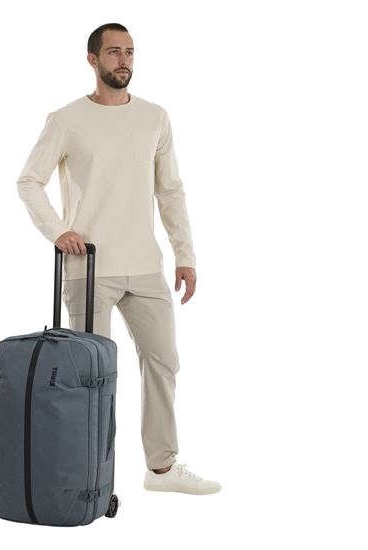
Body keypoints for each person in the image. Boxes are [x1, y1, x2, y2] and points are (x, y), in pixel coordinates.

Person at [16, 22, 221, 495]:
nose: (123, 60)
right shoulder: (66, 119)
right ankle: (92, 474)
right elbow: (29, 181)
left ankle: (161, 469)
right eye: (113, 52)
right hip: (89, 268)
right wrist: (58, 231)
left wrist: (185, 254)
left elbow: (170, 190)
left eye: (129, 52)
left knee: (164, 362)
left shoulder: (154, 117)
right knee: (92, 375)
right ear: (93, 60)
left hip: (145, 264)